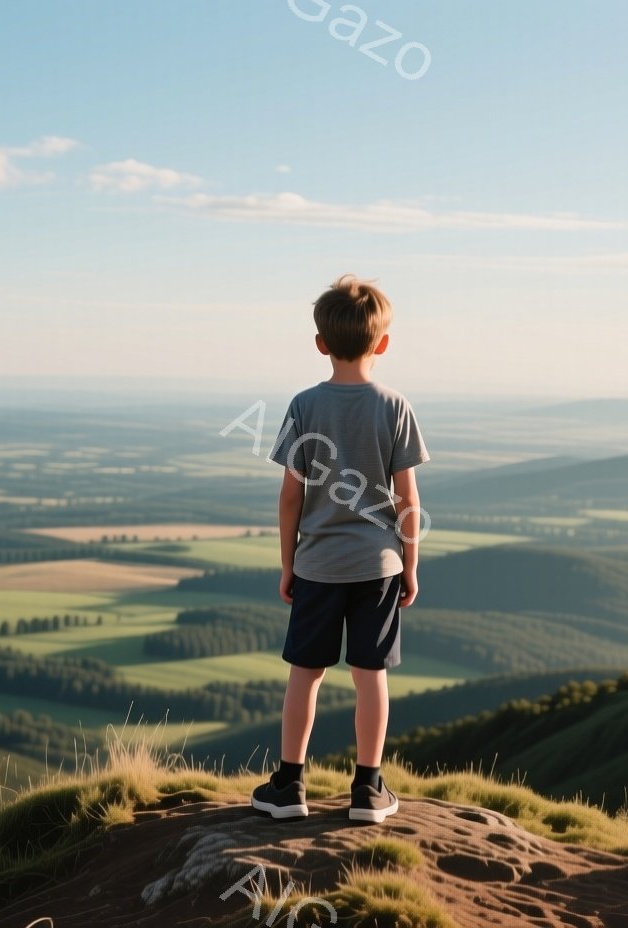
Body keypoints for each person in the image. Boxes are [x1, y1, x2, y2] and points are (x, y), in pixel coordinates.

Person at [250, 274, 429, 824]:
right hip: (379, 565)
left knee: (305, 672)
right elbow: (407, 499)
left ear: (321, 343)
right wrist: (410, 565)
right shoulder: (394, 406)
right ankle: (368, 790)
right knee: (370, 675)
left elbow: (290, 497)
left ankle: (289, 786)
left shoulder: (304, 406)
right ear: (383, 343)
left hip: (317, 566)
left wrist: (288, 564)